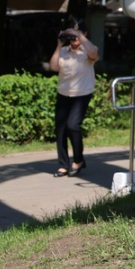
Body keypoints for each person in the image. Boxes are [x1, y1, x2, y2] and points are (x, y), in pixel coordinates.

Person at [48, 19, 98, 178]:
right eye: (72, 35)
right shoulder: (63, 52)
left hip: (82, 94)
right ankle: (63, 165)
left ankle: (78, 160)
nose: (74, 38)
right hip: (64, 93)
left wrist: (79, 36)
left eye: (78, 34)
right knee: (61, 130)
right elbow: (54, 67)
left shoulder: (88, 50)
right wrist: (58, 45)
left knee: (73, 125)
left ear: (85, 34)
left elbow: (94, 53)